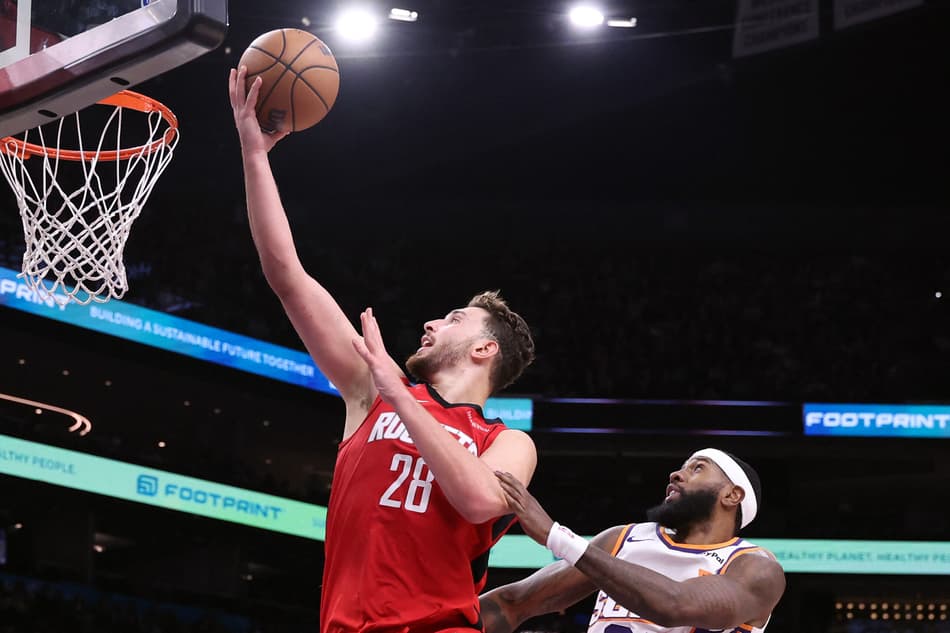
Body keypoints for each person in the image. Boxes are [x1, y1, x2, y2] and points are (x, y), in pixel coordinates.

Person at [228, 66, 538, 632]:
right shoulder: (372, 391)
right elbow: (287, 275)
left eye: (454, 318)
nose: (431, 322)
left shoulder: (508, 442)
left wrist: (400, 393)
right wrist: (255, 154)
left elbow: (475, 499)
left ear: (484, 349)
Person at [480, 449, 786, 633]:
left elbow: (675, 604)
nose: (676, 474)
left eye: (697, 468)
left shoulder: (755, 568)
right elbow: (511, 604)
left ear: (732, 495)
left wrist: (556, 536)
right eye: (682, 467)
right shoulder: (623, 539)